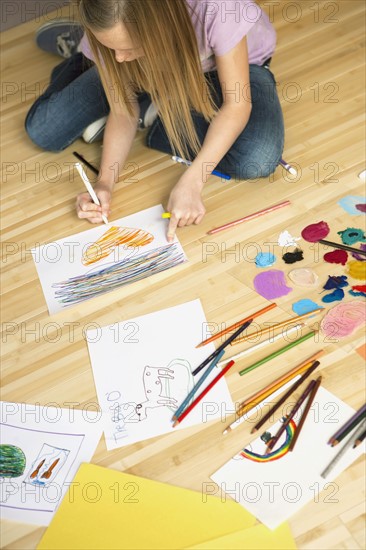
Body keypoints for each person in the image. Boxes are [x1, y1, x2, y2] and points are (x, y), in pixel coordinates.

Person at [26, 0, 284, 241]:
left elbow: (237, 105)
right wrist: (104, 184)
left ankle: (159, 107)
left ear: (159, 25)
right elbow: (123, 111)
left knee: (256, 157)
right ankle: (87, 52)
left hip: (227, 68)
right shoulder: (118, 46)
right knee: (44, 131)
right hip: (145, 69)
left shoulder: (219, 8)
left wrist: (193, 181)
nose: (118, 58)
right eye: (111, 47)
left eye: (127, 47)